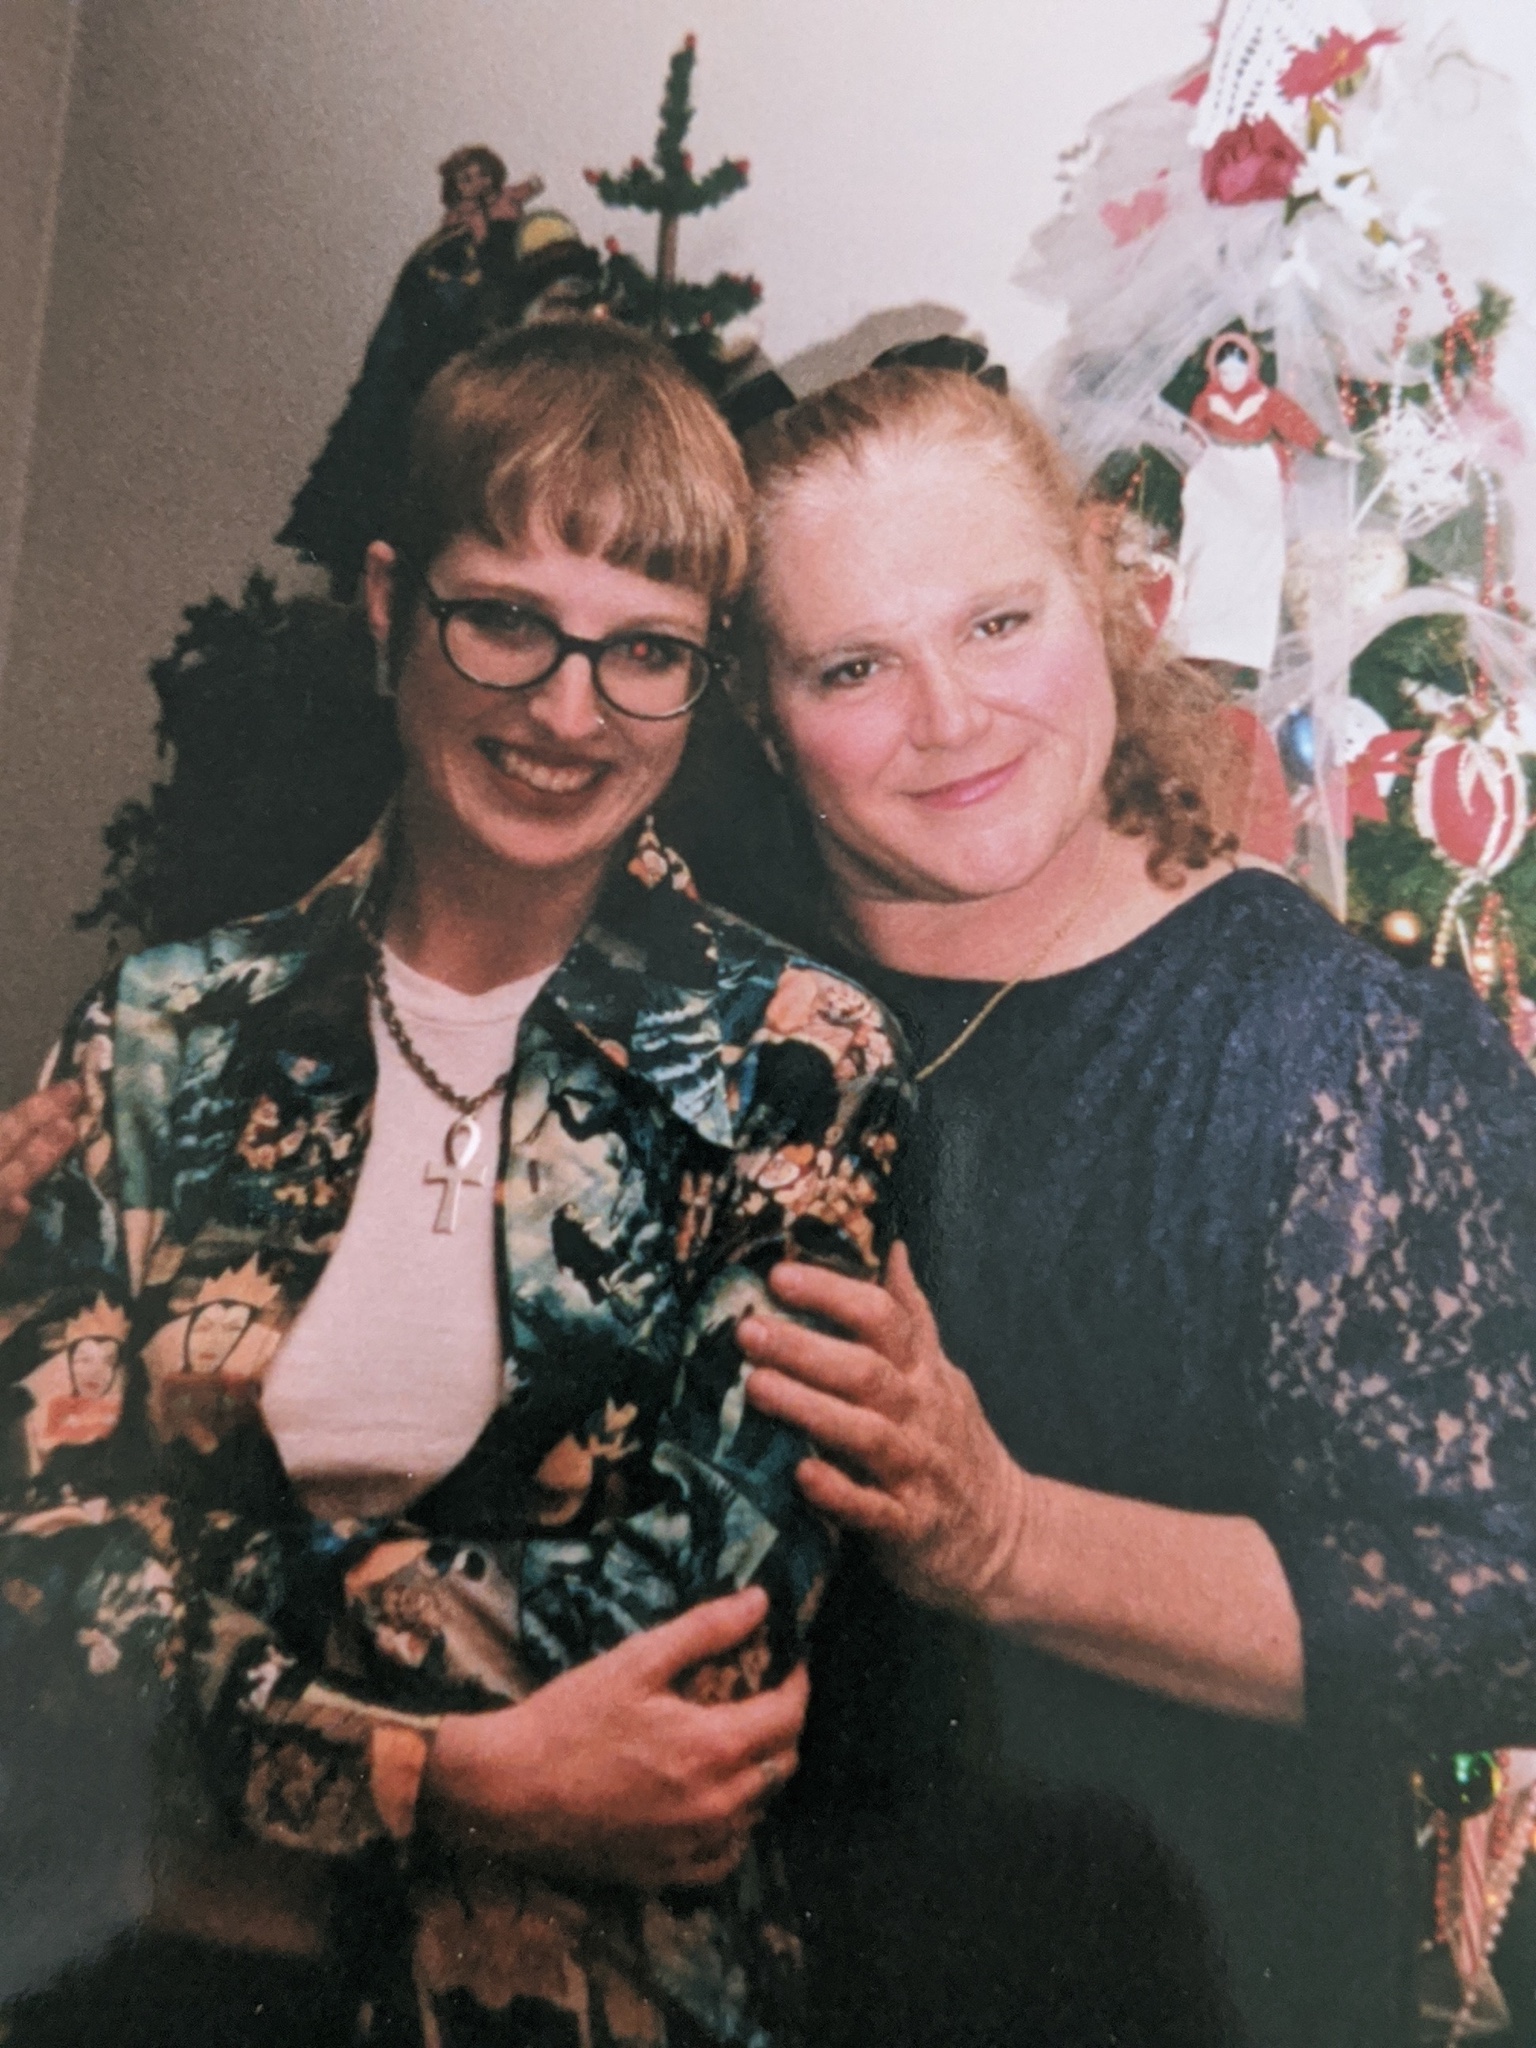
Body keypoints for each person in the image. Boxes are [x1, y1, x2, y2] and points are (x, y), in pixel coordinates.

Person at [0, 321, 907, 2048]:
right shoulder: (161, 1030)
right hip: (136, 1991)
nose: (567, 711)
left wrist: (203, 1645)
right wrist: (450, 1778)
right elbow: (34, 1609)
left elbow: (695, 1665)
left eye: (647, 652)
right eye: (505, 620)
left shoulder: (797, 1060)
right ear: (388, 603)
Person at [725, 362, 1536, 2048]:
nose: (949, 721)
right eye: (854, 666)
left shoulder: (1332, 1048)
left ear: (1105, 591)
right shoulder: (721, 1012)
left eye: (1000, 622)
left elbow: (1501, 1605)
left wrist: (1008, 1539)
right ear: (759, 707)